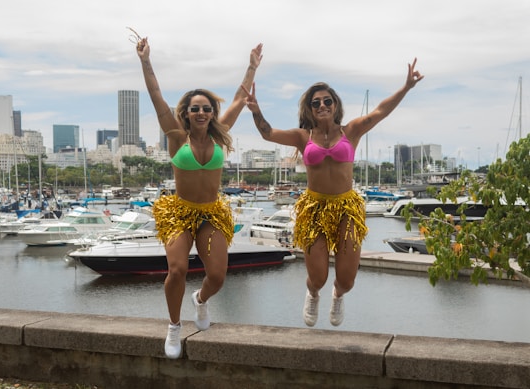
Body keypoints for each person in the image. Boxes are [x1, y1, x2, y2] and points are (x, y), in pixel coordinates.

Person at [242, 59, 423, 327]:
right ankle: (313, 293)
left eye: (327, 101)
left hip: (346, 207)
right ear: (310, 109)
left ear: (335, 105)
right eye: (317, 103)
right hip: (315, 208)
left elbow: (381, 111)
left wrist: (406, 87)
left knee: (347, 278)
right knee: (317, 277)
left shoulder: (351, 131)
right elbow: (268, 134)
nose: (323, 106)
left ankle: (338, 295)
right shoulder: (303, 137)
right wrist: (256, 111)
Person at [135, 35, 263, 359]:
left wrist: (251, 67)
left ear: (212, 112)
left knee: (217, 276)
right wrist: (146, 60)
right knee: (176, 269)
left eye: (207, 108)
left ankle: (201, 301)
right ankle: (174, 326)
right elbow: (155, 95)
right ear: (188, 113)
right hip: (179, 212)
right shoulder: (177, 137)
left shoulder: (221, 135)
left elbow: (238, 97)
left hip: (211, 213)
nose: (202, 112)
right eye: (196, 108)